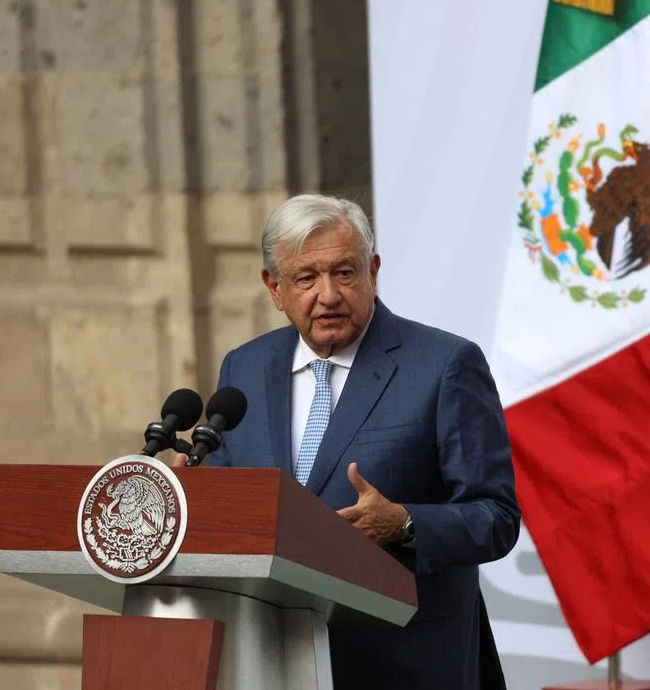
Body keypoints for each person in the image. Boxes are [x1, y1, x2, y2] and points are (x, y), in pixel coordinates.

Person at [177, 193, 521, 689]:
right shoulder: (245, 368)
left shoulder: (444, 366)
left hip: (408, 664)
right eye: (306, 278)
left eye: (344, 273)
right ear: (274, 287)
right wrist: (193, 496)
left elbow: (496, 518)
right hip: (272, 658)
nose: (329, 295)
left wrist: (403, 522)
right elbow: (234, 494)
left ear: (373, 270)